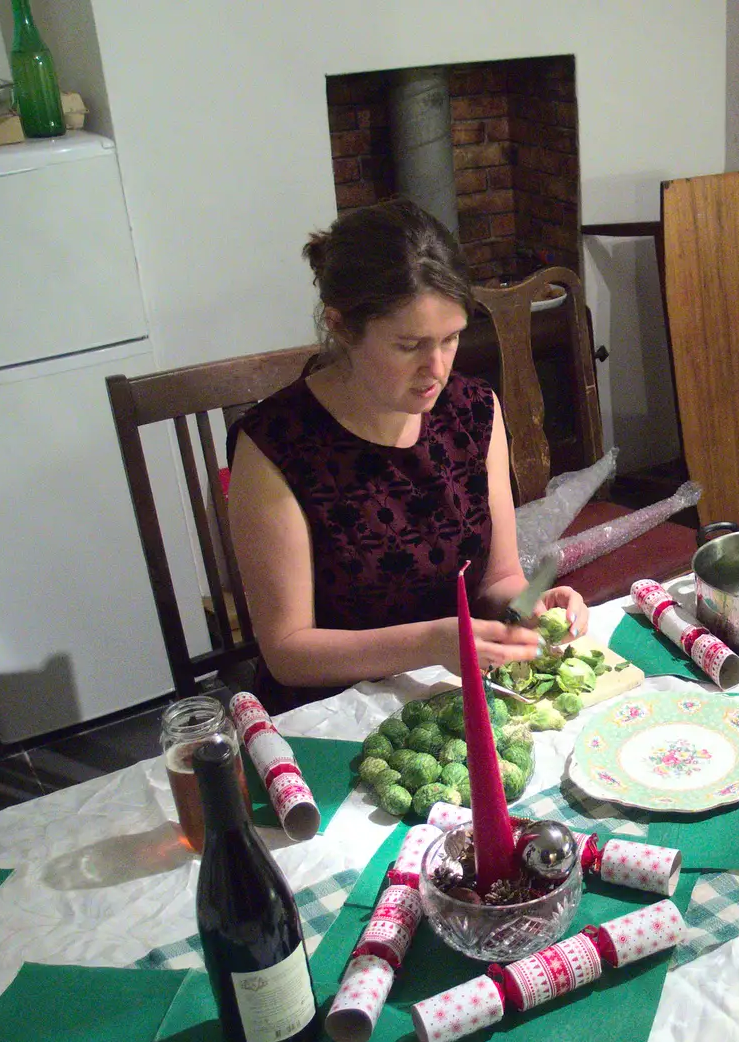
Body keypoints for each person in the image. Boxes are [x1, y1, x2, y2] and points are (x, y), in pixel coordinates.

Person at [228, 198, 587, 712]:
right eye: (408, 345)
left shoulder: (473, 409)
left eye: (451, 338)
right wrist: (431, 643)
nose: (436, 368)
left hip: (445, 694)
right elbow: (287, 652)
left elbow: (499, 581)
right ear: (341, 326)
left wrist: (534, 607)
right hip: (327, 715)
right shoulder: (275, 444)